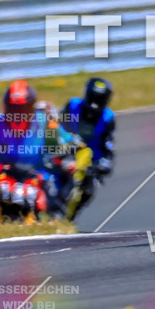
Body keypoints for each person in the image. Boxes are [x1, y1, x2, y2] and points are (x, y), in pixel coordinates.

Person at [0, 80, 81, 218]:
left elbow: (64, 140)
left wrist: (69, 149)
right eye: (13, 108)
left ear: (30, 108)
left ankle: (56, 221)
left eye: (22, 109)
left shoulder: (45, 122)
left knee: (57, 190)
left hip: (36, 174)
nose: (17, 113)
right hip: (3, 172)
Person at [58, 78, 115, 219]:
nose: (94, 105)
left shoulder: (108, 118)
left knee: (89, 190)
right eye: (92, 98)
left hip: (90, 160)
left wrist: (105, 163)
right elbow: (57, 127)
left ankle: (71, 215)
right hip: (67, 150)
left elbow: (108, 144)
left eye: (99, 100)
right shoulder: (72, 105)